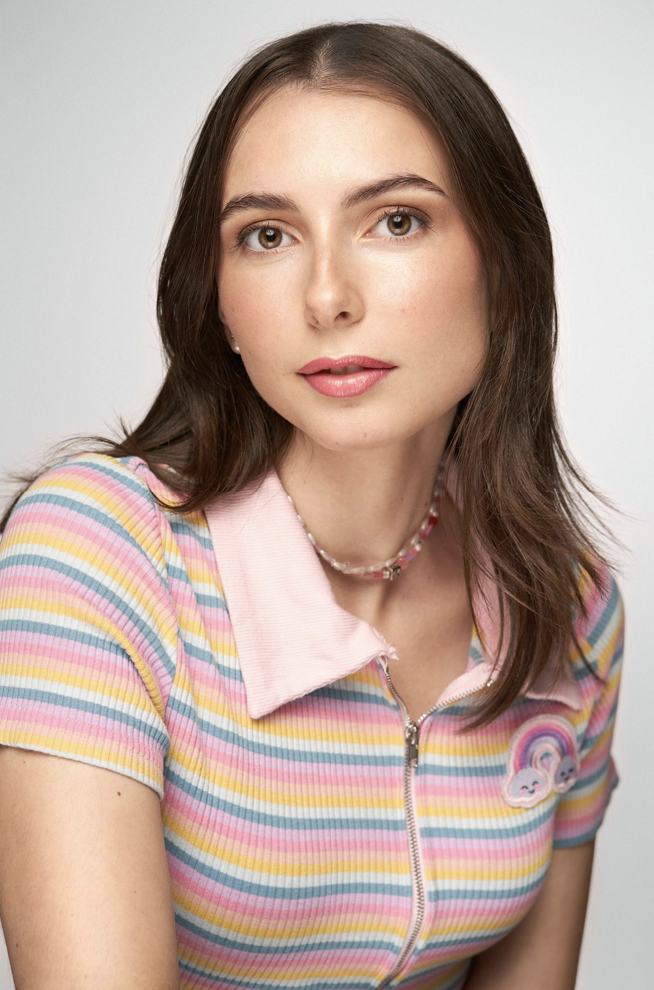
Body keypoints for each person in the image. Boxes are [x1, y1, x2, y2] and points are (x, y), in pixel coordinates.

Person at [0, 20, 626, 990]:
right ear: (216, 299)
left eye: (397, 220)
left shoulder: (571, 609)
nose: (328, 296)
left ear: (506, 266)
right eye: (267, 236)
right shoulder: (94, 556)